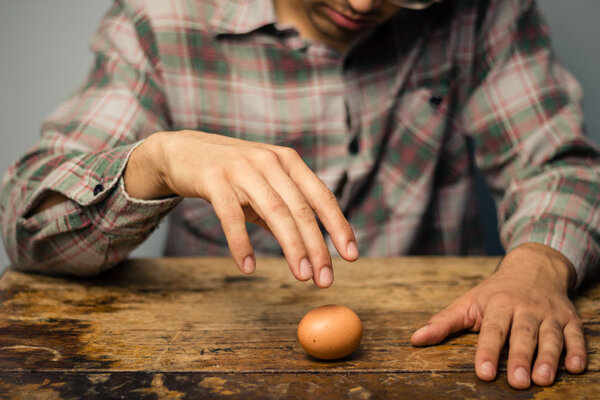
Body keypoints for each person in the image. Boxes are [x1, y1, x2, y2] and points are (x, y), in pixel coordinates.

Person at [0, 0, 598, 390]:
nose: (364, 5)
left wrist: (539, 264)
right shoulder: (160, 21)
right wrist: (157, 162)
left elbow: (555, 163)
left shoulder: (481, 11)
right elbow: (27, 226)